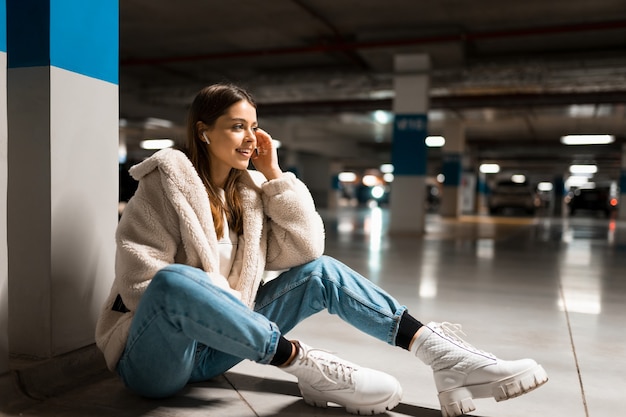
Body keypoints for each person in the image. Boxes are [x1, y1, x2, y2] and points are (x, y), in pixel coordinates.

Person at [95, 83, 548, 417]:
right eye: (237, 127)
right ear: (204, 132)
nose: (251, 137)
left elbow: (304, 250)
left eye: (254, 126)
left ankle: (443, 357)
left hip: (220, 350)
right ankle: (302, 361)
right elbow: (140, 285)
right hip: (155, 362)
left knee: (323, 270)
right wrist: (227, 308)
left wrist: (275, 177)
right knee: (176, 279)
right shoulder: (162, 187)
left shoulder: (249, 194)